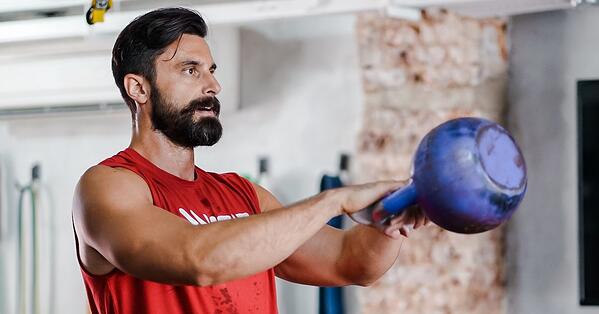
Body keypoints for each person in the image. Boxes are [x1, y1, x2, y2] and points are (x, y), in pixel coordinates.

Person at [71, 7, 428, 314]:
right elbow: (198, 260)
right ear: (139, 88)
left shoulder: (243, 195)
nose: (213, 86)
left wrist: (389, 223)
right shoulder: (107, 186)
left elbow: (349, 261)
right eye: (190, 70)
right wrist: (335, 200)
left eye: (212, 70)